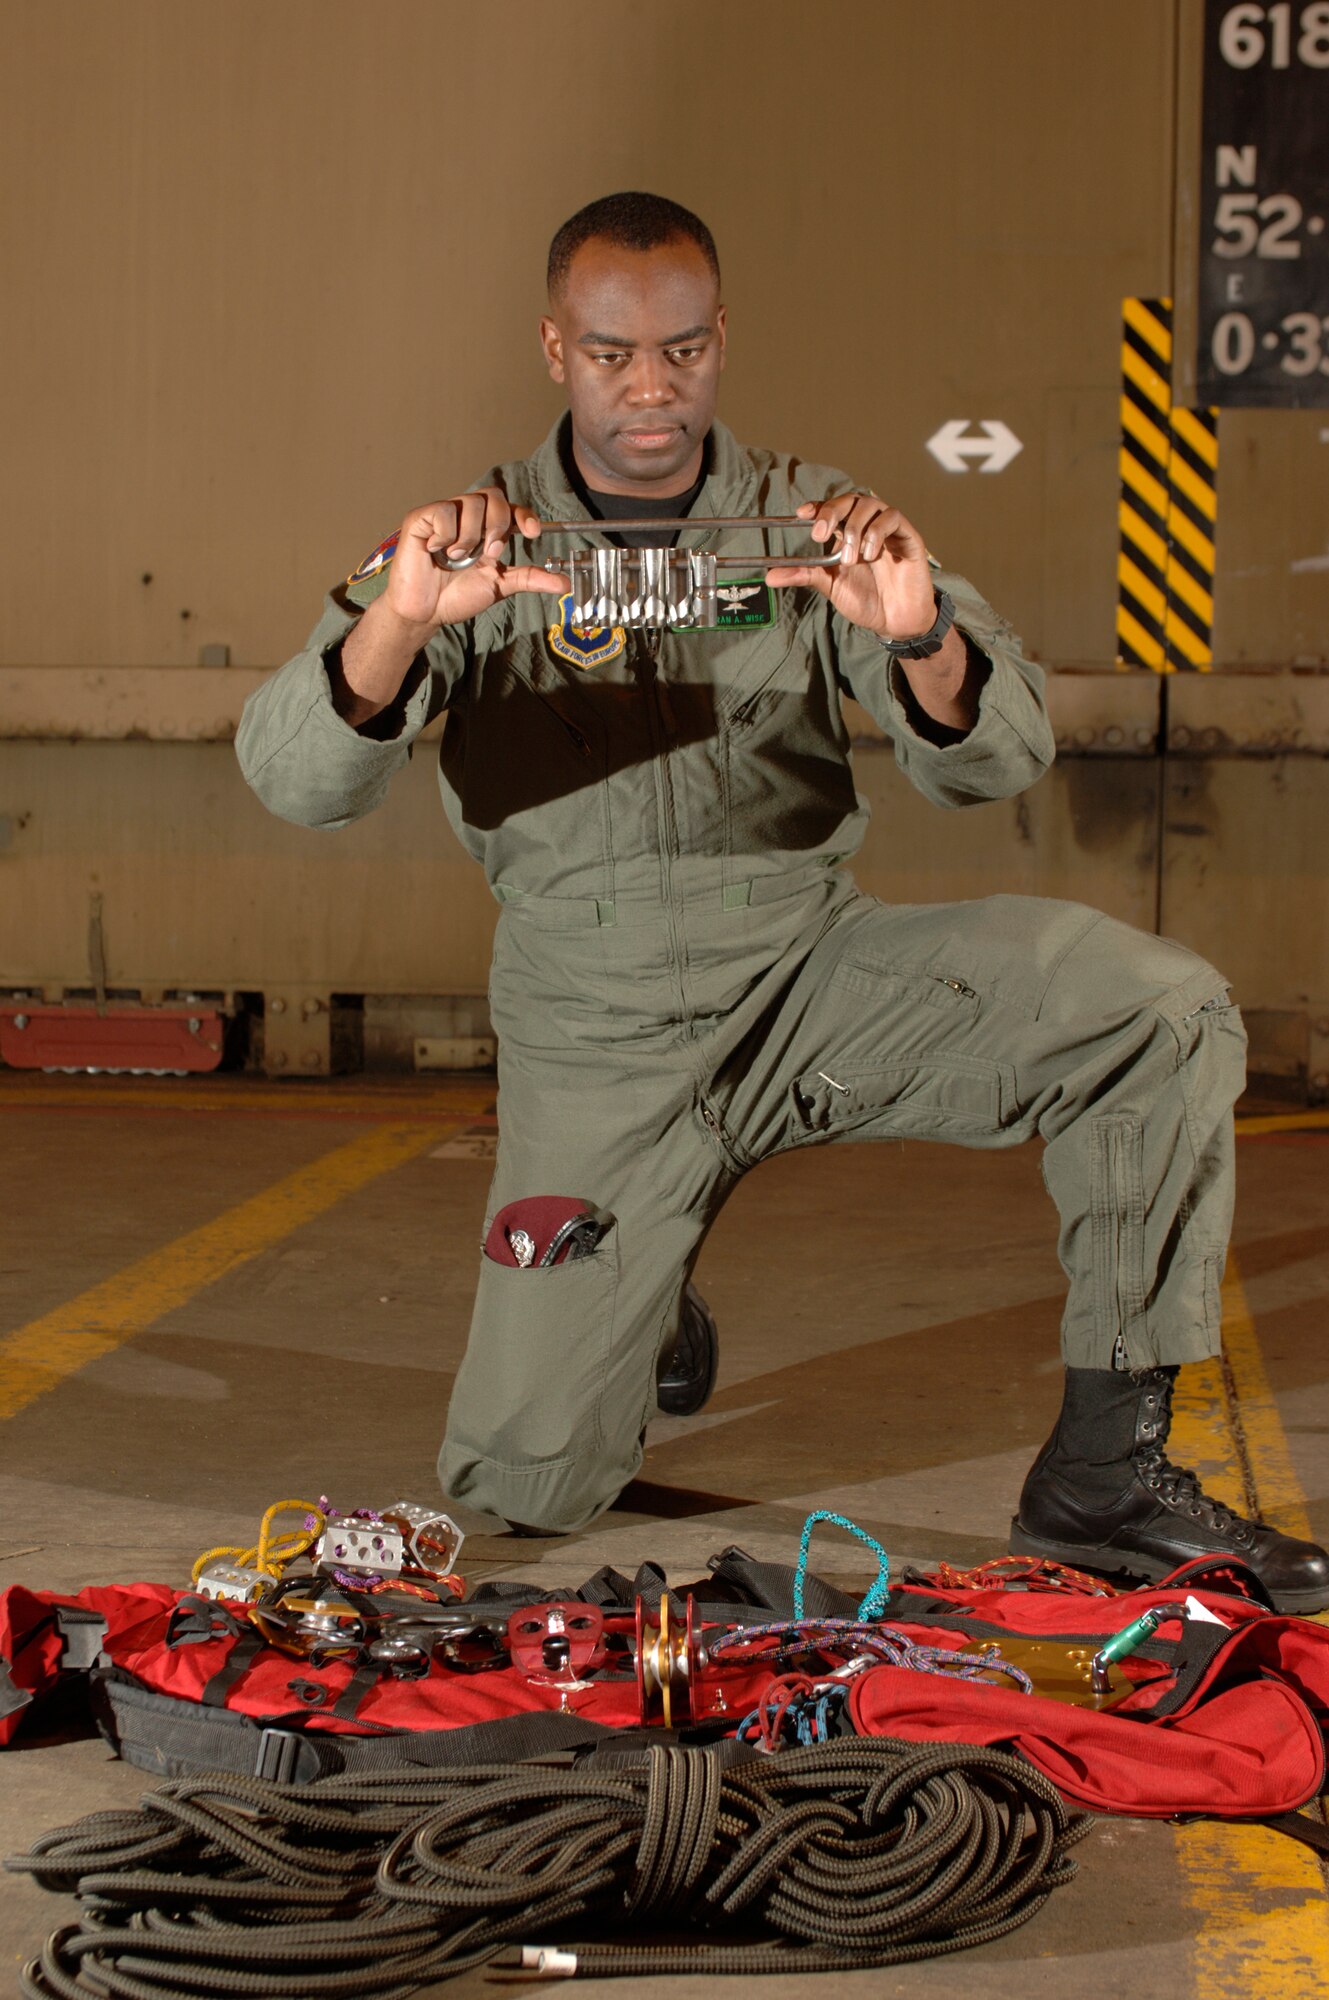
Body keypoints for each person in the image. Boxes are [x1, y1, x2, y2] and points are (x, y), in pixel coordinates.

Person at [237, 192, 1326, 1610]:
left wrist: (921, 633)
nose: (651, 388)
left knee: (1160, 1012)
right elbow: (294, 777)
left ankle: (1103, 1468)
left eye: (682, 351)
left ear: (720, 342)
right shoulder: (470, 549)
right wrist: (396, 619)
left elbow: (997, 758)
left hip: (811, 983)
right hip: (598, 1036)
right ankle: (646, 1274)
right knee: (519, 1486)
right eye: (614, 355)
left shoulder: (810, 530)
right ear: (555, 347)